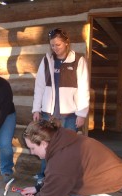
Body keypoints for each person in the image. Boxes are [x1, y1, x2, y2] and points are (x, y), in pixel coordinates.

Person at [6, 119, 122, 196]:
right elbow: (61, 179)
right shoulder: (61, 138)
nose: (31, 152)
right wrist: (38, 188)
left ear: (44, 144)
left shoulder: (61, 160)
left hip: (117, 193)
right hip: (102, 185)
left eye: (32, 148)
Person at [32, 28, 90, 181]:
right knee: (46, 145)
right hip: (48, 113)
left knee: (67, 147)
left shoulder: (78, 60)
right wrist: (36, 109)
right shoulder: (47, 61)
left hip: (70, 114)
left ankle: (65, 178)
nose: (55, 48)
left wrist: (82, 114)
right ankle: (45, 176)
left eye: (58, 45)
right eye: (52, 45)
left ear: (66, 43)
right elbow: (39, 86)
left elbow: (84, 88)